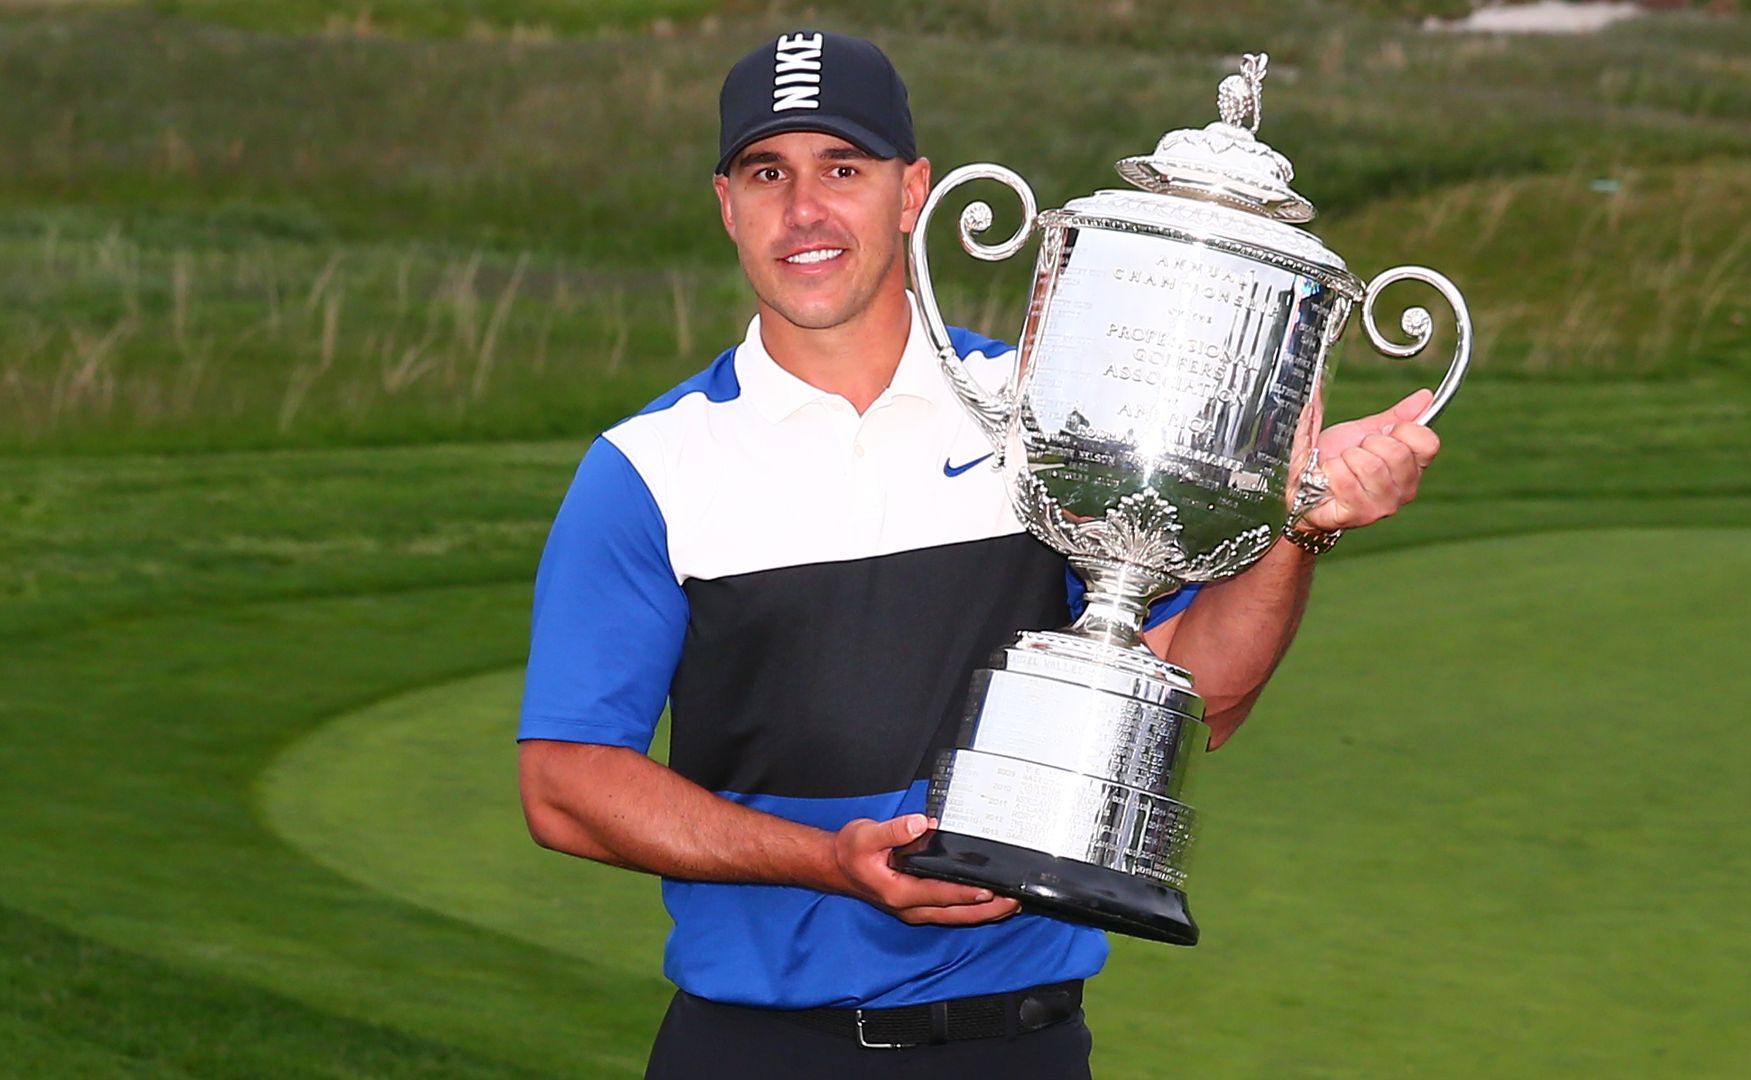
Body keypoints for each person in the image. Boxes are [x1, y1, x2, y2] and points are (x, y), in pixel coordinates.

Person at [516, 30, 1441, 1080]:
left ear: (913, 191)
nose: (805, 211)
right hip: (759, 1050)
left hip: (1021, 1047)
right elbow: (565, 783)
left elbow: (1199, 698)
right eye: (768, 173)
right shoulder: (649, 468)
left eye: (844, 170)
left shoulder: (1048, 417)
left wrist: (1298, 519)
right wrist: (827, 864)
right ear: (727, 203)